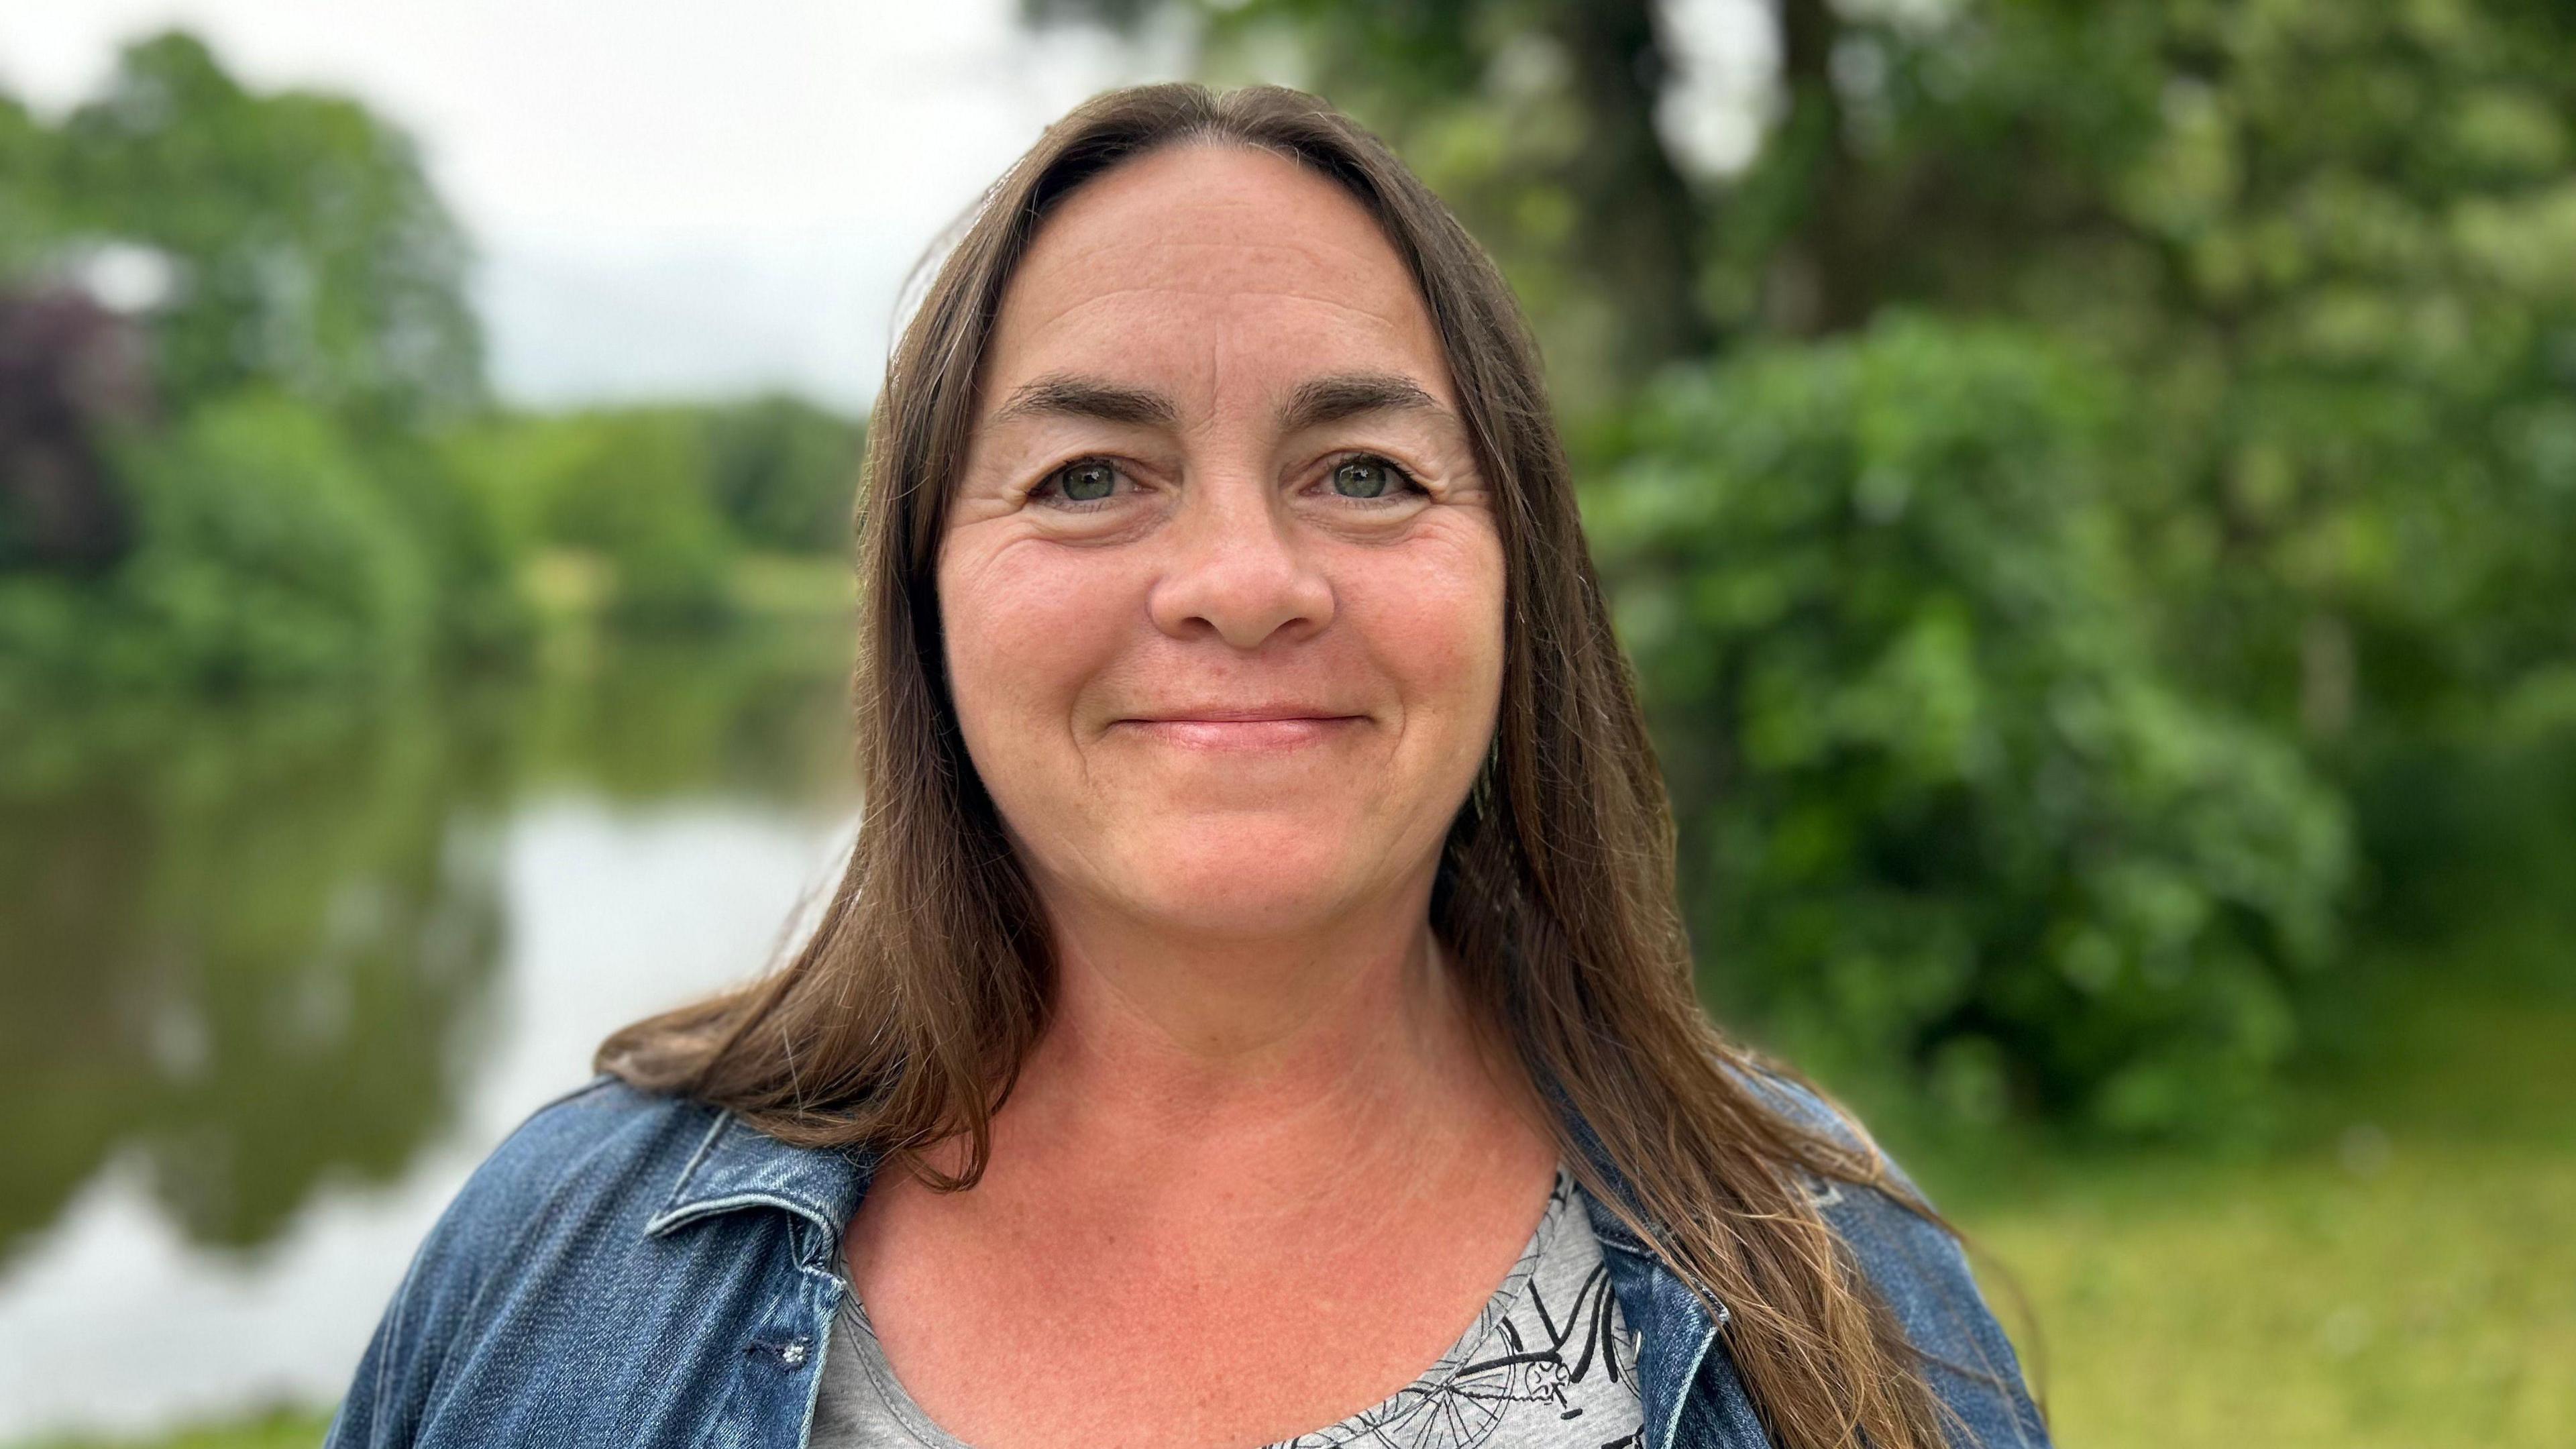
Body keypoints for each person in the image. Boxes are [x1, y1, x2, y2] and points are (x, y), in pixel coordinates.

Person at [323, 82, 2049, 1449]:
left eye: (1365, 471)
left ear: (1517, 578)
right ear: (926, 598)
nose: (1241, 585)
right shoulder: (555, 1264)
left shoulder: (1840, 1287)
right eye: (1090, 475)